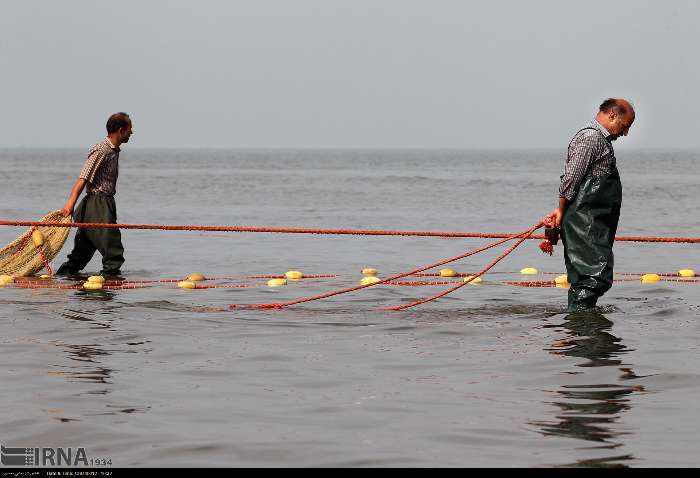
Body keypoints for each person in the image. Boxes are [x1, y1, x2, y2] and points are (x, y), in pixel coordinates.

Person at [544, 99, 635, 311]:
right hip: (583, 221)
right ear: (612, 115)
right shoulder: (590, 139)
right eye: (625, 125)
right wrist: (561, 210)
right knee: (592, 277)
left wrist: (561, 210)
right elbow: (570, 180)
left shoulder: (601, 141)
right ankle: (582, 328)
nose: (626, 132)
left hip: (590, 221)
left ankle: (581, 329)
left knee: (590, 276)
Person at [55, 113, 133, 277]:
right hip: (98, 206)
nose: (131, 133)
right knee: (113, 252)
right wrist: (70, 204)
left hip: (101, 205)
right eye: (129, 129)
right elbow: (83, 177)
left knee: (80, 255)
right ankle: (110, 294)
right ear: (120, 130)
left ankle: (62, 281)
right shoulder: (102, 150)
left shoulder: (113, 150)